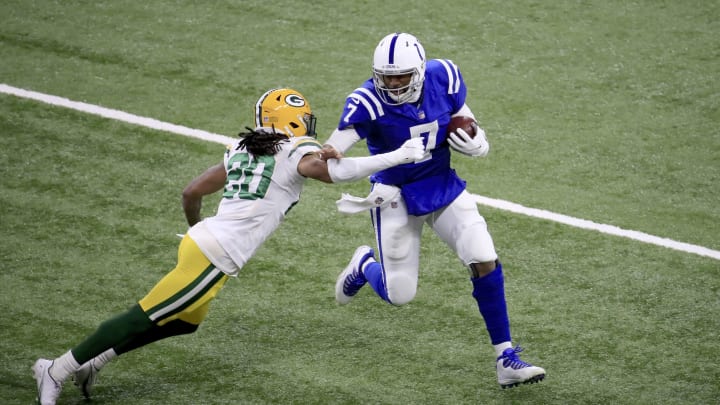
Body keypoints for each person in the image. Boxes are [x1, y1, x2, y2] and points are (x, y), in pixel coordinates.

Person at [32, 87, 426, 404]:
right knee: (143, 315)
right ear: (290, 120)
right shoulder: (294, 151)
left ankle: (96, 360)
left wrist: (197, 231)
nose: (307, 126)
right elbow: (337, 174)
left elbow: (191, 193)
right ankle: (56, 368)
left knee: (186, 322)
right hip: (215, 251)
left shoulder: (240, 149)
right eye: (303, 120)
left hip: (205, 244)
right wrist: (396, 156)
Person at [325, 33, 546, 389]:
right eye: (387, 77)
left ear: (420, 70)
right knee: (400, 295)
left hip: (441, 183)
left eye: (401, 76)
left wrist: (478, 144)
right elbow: (334, 158)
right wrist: (352, 152)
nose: (394, 84)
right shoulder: (365, 101)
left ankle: (505, 358)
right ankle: (365, 265)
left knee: (483, 256)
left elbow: (465, 120)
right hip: (394, 193)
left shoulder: (444, 76)